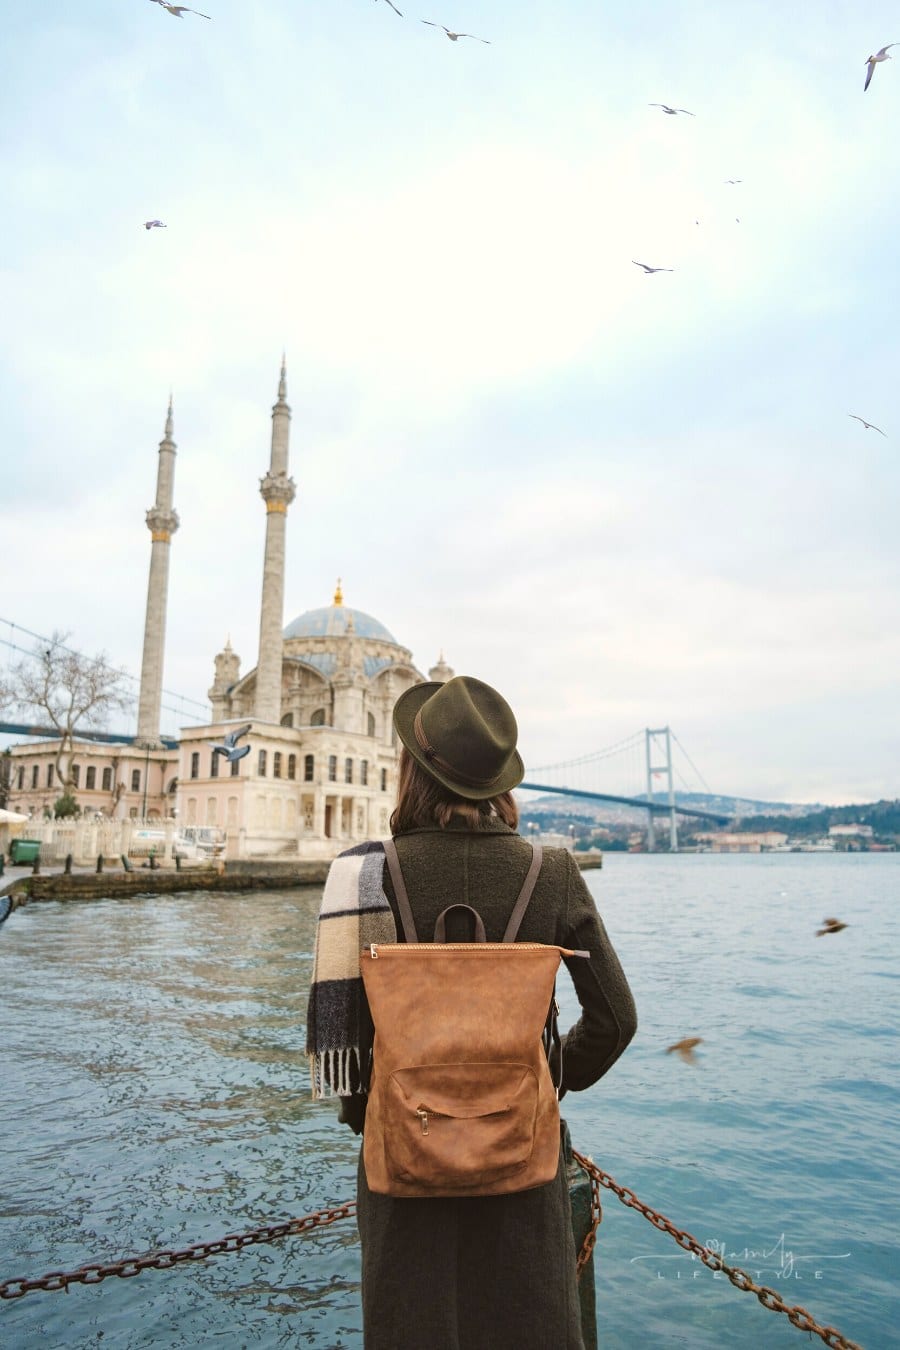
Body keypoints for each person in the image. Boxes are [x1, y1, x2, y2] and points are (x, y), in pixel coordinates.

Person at [307, 675, 637, 1350]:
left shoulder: (359, 874)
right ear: (497, 783)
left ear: (411, 769)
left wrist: (406, 1114)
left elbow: (341, 1068)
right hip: (523, 1167)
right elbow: (615, 1020)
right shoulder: (554, 871)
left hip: (403, 1179)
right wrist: (534, 1085)